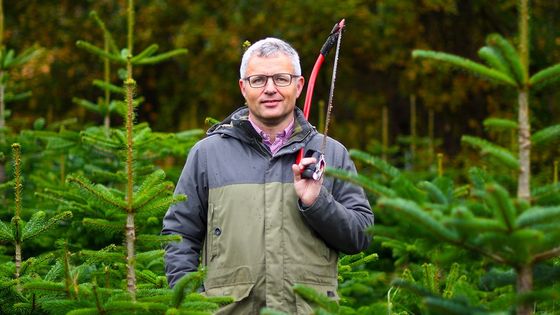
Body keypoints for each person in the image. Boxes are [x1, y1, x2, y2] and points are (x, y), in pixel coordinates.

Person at [162, 37, 373, 314]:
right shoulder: (207, 155)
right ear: (243, 87)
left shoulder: (330, 154)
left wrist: (317, 202)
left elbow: (360, 235)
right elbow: (179, 235)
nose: (270, 89)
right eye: (258, 80)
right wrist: (193, 304)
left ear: (299, 86)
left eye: (281, 79)